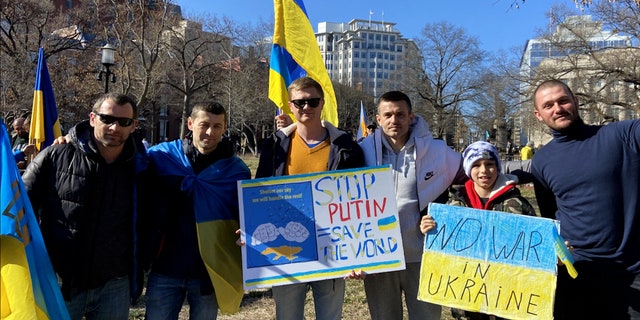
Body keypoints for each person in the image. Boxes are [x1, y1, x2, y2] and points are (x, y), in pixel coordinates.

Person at [22, 93, 151, 320]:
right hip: (60, 280)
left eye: (124, 122)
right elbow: (19, 205)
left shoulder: (143, 166)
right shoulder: (55, 155)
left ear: (134, 126)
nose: (114, 127)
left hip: (114, 284)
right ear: (92, 118)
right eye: (107, 119)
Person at [255, 76, 364, 320]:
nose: (307, 108)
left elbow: (360, 203)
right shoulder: (275, 146)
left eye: (313, 102)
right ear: (291, 106)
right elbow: (259, 192)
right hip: (288, 248)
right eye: (300, 103)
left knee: (330, 316)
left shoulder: (346, 146)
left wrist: (358, 253)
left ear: (322, 103)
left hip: (332, 247)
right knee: (288, 316)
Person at [530, 79, 640, 319]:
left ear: (576, 102)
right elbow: (551, 218)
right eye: (548, 105)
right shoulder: (541, 162)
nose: (557, 108)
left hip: (632, 272)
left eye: (563, 100)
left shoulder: (622, 135)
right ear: (538, 115)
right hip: (576, 275)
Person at [356, 90, 463, 320]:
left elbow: (473, 177)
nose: (394, 120)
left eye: (400, 114)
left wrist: (447, 214)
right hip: (381, 257)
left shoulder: (437, 151)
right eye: (388, 115)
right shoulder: (361, 151)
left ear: (411, 117)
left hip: (422, 255)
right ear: (378, 118)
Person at [143, 102, 251, 320]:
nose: (210, 132)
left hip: (209, 270)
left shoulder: (237, 171)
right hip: (165, 267)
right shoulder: (161, 157)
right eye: (204, 125)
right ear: (190, 124)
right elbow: (124, 160)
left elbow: (245, 217)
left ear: (224, 127)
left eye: (217, 126)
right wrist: (70, 140)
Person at [420, 141, 536, 320]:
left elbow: (535, 244)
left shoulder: (517, 204)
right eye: (476, 165)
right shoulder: (453, 204)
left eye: (490, 164)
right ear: (467, 169)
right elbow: (441, 242)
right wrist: (428, 227)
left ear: (497, 166)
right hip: (467, 301)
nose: (483, 170)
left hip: (507, 299)